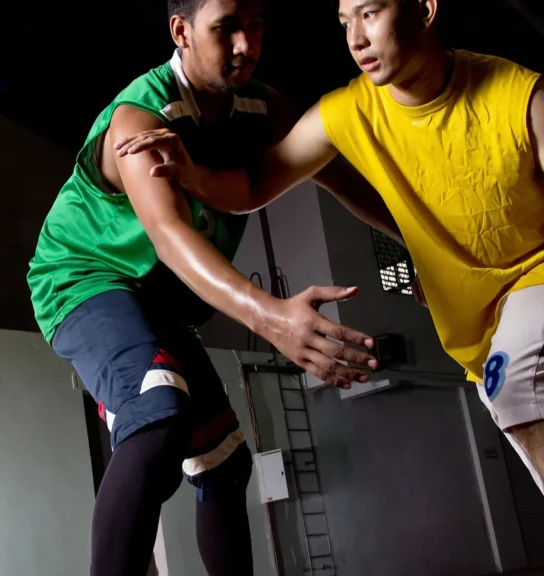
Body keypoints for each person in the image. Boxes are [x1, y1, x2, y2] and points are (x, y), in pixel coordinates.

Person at [113, 1, 544, 575]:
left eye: (370, 13)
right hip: (470, 326)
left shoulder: (518, 95)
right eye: (344, 22)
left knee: (520, 394)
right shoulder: (346, 111)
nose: (356, 37)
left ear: (423, 9)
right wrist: (189, 171)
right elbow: (255, 186)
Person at [26, 0, 400, 574]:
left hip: (162, 305)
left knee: (224, 462)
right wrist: (272, 318)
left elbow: (347, 180)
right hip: (87, 280)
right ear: (181, 31)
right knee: (157, 415)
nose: (245, 45)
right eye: (226, 28)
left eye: (255, 25)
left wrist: (418, 251)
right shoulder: (139, 117)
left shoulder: (264, 108)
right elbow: (171, 235)